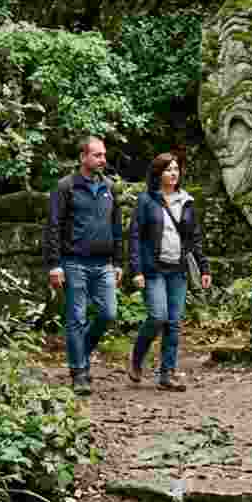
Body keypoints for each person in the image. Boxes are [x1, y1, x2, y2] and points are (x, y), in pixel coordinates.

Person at [42, 135, 123, 396]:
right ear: (83, 157)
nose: (103, 160)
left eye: (103, 155)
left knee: (108, 313)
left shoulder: (110, 187)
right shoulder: (65, 187)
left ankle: (82, 351)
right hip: (74, 261)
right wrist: (54, 264)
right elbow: (53, 227)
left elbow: (116, 227)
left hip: (103, 263)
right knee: (76, 317)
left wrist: (118, 262)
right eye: (97, 155)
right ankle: (79, 372)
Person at [127, 153, 212, 391]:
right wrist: (136, 269)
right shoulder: (146, 201)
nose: (173, 173)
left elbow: (194, 237)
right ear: (158, 174)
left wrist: (204, 266)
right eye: (168, 169)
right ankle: (136, 358)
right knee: (158, 316)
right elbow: (134, 236)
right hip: (153, 269)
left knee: (174, 323)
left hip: (178, 270)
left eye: (176, 169)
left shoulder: (186, 201)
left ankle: (167, 374)